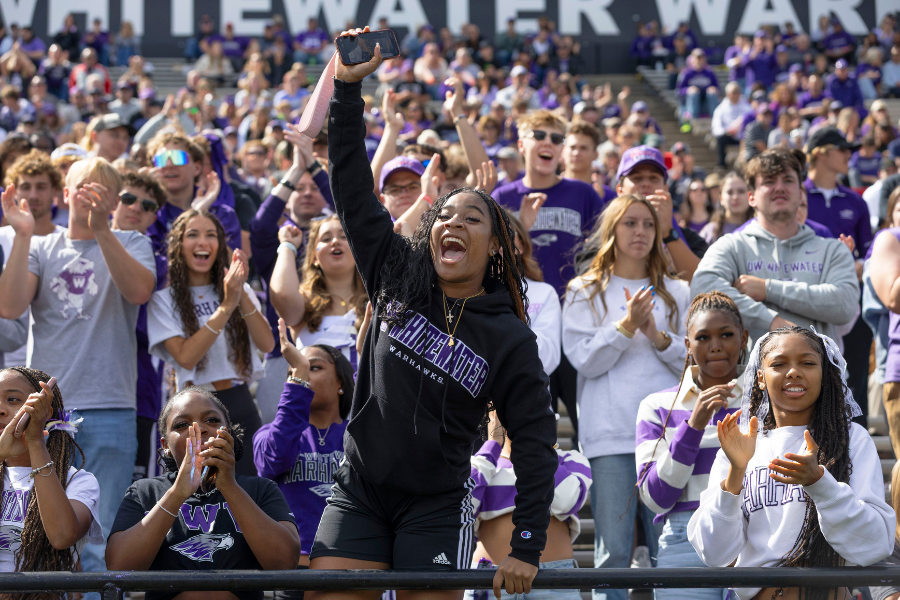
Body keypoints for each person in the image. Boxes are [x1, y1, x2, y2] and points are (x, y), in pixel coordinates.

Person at [307, 29, 557, 600]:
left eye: (473, 219)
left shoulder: (510, 336)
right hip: (360, 489)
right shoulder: (394, 269)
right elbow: (349, 184)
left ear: (496, 245)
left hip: (438, 502)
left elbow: (536, 442)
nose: (453, 224)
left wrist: (525, 546)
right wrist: (348, 90)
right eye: (445, 214)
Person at [0, 157, 155, 576]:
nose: (92, 198)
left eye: (104, 192)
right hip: (44, 410)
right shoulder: (41, 246)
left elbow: (140, 291)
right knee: (38, 531)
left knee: (97, 543)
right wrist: (22, 235)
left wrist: (103, 229)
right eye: (84, 189)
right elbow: (10, 305)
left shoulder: (132, 241)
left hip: (110, 404)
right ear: (64, 195)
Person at [687, 326, 894, 600]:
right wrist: (737, 472)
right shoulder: (741, 446)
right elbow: (714, 553)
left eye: (807, 363)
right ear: (760, 377)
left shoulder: (852, 439)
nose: (794, 372)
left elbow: (875, 544)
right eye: (779, 364)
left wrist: (819, 483)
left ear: (824, 373)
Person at [563, 194, 690, 600]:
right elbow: (584, 361)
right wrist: (626, 326)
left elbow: (693, 362)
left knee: (668, 554)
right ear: (612, 231)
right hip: (610, 435)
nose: (640, 232)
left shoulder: (677, 291)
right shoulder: (584, 289)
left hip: (669, 438)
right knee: (612, 556)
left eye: (648, 224)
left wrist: (655, 335)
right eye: (630, 223)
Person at [105, 386, 301, 597]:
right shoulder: (145, 492)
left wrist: (230, 488)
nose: (199, 429)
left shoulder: (260, 489)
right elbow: (119, 568)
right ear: (166, 445)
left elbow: (285, 562)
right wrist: (177, 493)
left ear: (229, 434)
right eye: (182, 425)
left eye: (212, 420)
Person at [636, 292, 748, 600]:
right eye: (703, 337)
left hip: (755, 533)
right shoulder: (656, 406)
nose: (715, 345)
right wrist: (693, 427)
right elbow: (656, 498)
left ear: (744, 338)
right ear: (687, 345)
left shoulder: (764, 402)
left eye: (726, 334)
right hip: (683, 540)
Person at [148, 209, 274, 477]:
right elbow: (186, 357)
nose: (203, 242)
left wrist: (239, 295)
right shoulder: (163, 300)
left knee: (248, 491)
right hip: (195, 408)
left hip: (240, 402)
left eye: (211, 235)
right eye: (192, 235)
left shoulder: (236, 287)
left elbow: (267, 343)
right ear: (178, 246)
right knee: (201, 492)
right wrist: (226, 306)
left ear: (220, 245)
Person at [691, 147, 858, 344]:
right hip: (752, 374)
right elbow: (703, 287)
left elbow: (845, 306)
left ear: (800, 192)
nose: (779, 187)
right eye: (769, 181)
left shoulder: (832, 250)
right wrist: (771, 322)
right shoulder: (732, 246)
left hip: (821, 374)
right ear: (751, 197)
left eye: (788, 180)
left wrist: (768, 289)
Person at [254, 319, 353, 578]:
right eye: (293, 374)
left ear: (341, 382)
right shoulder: (267, 434)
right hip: (290, 571)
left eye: (313, 367)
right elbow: (275, 458)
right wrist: (300, 374)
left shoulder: (358, 437)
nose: (300, 375)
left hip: (347, 569)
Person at [466, 408, 591, 600]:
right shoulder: (482, 462)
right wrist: (492, 445)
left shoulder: (569, 459)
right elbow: (464, 504)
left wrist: (539, 449)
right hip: (489, 580)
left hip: (554, 580)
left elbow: (567, 501)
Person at [0, 367, 102, 574]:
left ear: (46, 411)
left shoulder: (77, 480)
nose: (1, 409)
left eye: (12, 399)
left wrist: (35, 441)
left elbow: (62, 536)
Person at [110, 171, 168, 482]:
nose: (136, 208)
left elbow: (145, 326)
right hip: (80, 390)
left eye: (147, 205)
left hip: (137, 392)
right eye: (128, 198)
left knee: (129, 497)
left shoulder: (157, 264)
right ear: (112, 201)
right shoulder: (77, 246)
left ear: (154, 217)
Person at [270, 214, 366, 370]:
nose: (335, 241)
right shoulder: (305, 303)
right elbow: (282, 294)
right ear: (314, 257)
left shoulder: (376, 300)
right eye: (326, 239)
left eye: (344, 236)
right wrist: (288, 245)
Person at [699, 172, 753, 244]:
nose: (735, 197)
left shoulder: (760, 229)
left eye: (741, 191)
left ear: (750, 196)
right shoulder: (710, 232)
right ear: (721, 199)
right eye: (729, 192)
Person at [711, 83, 752, 168]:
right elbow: (716, 127)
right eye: (733, 92)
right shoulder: (721, 108)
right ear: (727, 94)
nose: (735, 95)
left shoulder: (747, 107)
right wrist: (726, 131)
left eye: (737, 92)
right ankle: (721, 165)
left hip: (745, 136)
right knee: (720, 139)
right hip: (729, 136)